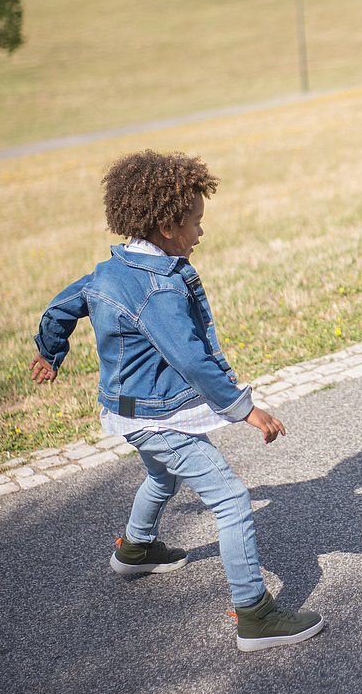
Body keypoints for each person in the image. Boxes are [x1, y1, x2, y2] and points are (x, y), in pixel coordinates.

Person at [29, 149, 324, 651]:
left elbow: (63, 305)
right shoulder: (158, 289)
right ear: (167, 225)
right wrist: (245, 409)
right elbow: (190, 359)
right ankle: (254, 614)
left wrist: (49, 351)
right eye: (195, 222)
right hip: (158, 416)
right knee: (230, 498)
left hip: (128, 409)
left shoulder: (112, 268)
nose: (200, 233)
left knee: (162, 475)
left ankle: (137, 549)